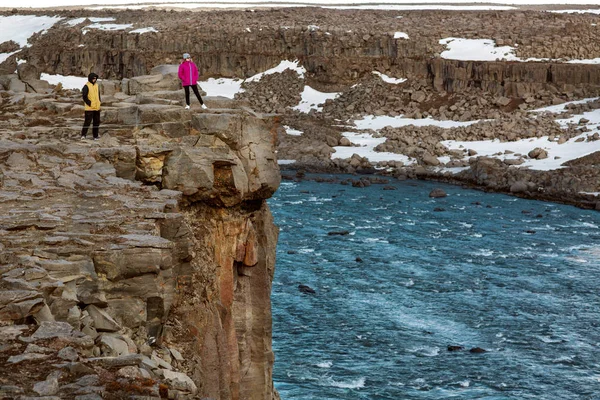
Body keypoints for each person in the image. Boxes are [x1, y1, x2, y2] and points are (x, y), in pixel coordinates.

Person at [81, 72, 101, 140]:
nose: (94, 80)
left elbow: (98, 95)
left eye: (95, 78)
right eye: (93, 78)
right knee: (87, 122)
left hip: (97, 107)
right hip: (89, 108)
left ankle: (95, 136)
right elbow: (84, 96)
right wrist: (90, 103)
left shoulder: (97, 85)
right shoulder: (86, 86)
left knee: (96, 122)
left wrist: (99, 102)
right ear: (90, 78)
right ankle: (83, 135)